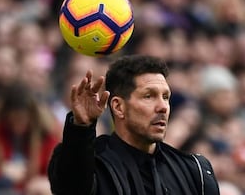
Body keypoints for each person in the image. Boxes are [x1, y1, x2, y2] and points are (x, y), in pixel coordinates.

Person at [48, 54, 220, 194]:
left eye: (166, 97)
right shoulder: (93, 164)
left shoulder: (195, 170)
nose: (162, 107)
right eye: (149, 96)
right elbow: (70, 187)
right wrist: (81, 127)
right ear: (118, 107)